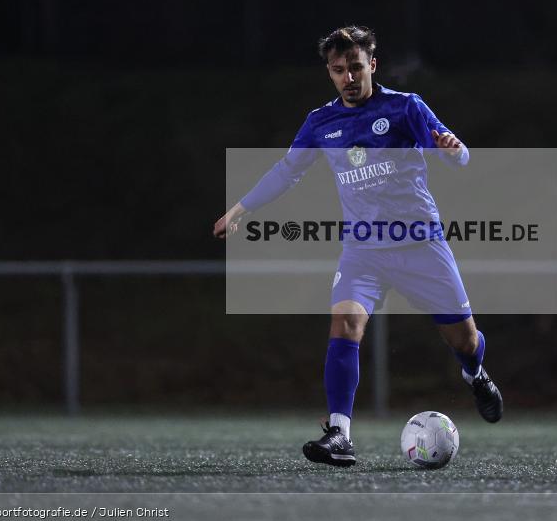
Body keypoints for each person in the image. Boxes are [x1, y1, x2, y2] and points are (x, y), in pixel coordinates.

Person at [213, 25, 503, 468]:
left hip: (420, 244)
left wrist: (452, 150)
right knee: (345, 323)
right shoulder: (320, 122)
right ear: (329, 73)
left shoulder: (406, 108)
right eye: (337, 70)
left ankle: (475, 373)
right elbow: (286, 170)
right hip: (362, 249)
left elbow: (458, 153)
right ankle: (339, 434)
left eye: (354, 67)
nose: (348, 77)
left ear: (372, 65)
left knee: (464, 340)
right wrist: (241, 208)